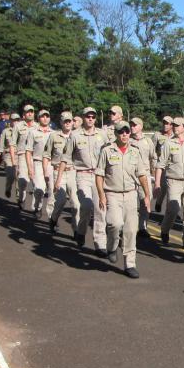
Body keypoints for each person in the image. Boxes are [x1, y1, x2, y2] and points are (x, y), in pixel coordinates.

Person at [96, 120, 151, 278]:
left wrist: (147, 195)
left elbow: (142, 174)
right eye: (121, 132)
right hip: (112, 193)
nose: (125, 134)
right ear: (116, 134)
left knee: (131, 230)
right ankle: (112, 247)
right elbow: (99, 175)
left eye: (127, 131)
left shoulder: (135, 152)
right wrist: (101, 195)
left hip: (130, 194)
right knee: (114, 223)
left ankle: (130, 264)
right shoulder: (107, 151)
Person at [54, 107, 110, 255]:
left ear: (95, 118)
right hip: (82, 175)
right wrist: (58, 179)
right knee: (85, 206)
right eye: (87, 116)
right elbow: (65, 158)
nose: (90, 119)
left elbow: (110, 155)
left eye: (93, 116)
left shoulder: (102, 135)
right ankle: (81, 231)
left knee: (100, 209)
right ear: (83, 118)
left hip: (99, 176)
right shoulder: (75, 135)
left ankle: (100, 244)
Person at [154, 116, 184, 251]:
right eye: (173, 125)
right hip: (173, 181)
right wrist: (157, 184)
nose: (174, 127)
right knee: (173, 209)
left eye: (178, 125)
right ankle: (165, 229)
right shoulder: (168, 144)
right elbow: (160, 165)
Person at [44, 111, 77, 233]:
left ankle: (76, 230)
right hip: (57, 171)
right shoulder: (54, 136)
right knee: (61, 200)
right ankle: (53, 219)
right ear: (61, 122)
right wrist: (45, 172)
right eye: (65, 121)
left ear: (73, 122)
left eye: (70, 121)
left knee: (75, 203)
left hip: (73, 171)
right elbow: (46, 155)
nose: (68, 123)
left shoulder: (77, 136)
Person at [129, 117, 155, 239]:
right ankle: (130, 226)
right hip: (131, 176)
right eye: (131, 125)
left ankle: (142, 227)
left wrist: (153, 173)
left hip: (145, 175)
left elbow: (153, 157)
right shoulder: (127, 140)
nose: (132, 127)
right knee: (131, 204)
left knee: (146, 201)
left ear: (141, 127)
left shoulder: (148, 141)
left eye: (135, 125)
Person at [26, 109, 53, 218]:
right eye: (42, 116)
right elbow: (28, 151)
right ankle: (37, 207)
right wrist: (30, 168)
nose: (45, 118)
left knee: (52, 191)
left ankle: (52, 216)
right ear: (39, 118)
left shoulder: (54, 133)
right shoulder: (33, 132)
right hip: (38, 162)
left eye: (47, 116)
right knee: (39, 188)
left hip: (51, 164)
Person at [13, 105, 35, 209]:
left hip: (35, 157)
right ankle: (21, 197)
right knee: (23, 181)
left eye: (31, 112)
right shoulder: (18, 126)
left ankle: (37, 206)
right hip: (22, 155)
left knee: (37, 182)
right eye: (27, 112)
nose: (30, 113)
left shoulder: (38, 126)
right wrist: (14, 159)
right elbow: (13, 144)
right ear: (24, 114)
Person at [151, 115, 174, 212]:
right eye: (164, 123)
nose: (165, 125)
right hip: (161, 165)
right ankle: (159, 202)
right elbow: (152, 151)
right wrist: (153, 166)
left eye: (167, 123)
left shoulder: (175, 135)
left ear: (172, 125)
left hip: (172, 165)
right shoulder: (157, 135)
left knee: (172, 189)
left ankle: (172, 210)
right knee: (163, 187)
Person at [0, 113, 20, 197]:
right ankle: (8, 188)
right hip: (8, 155)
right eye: (13, 120)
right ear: (10, 121)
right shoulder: (6, 131)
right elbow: (1, 145)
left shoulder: (23, 131)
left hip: (19, 155)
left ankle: (19, 195)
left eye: (17, 120)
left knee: (19, 177)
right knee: (11, 176)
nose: (15, 122)